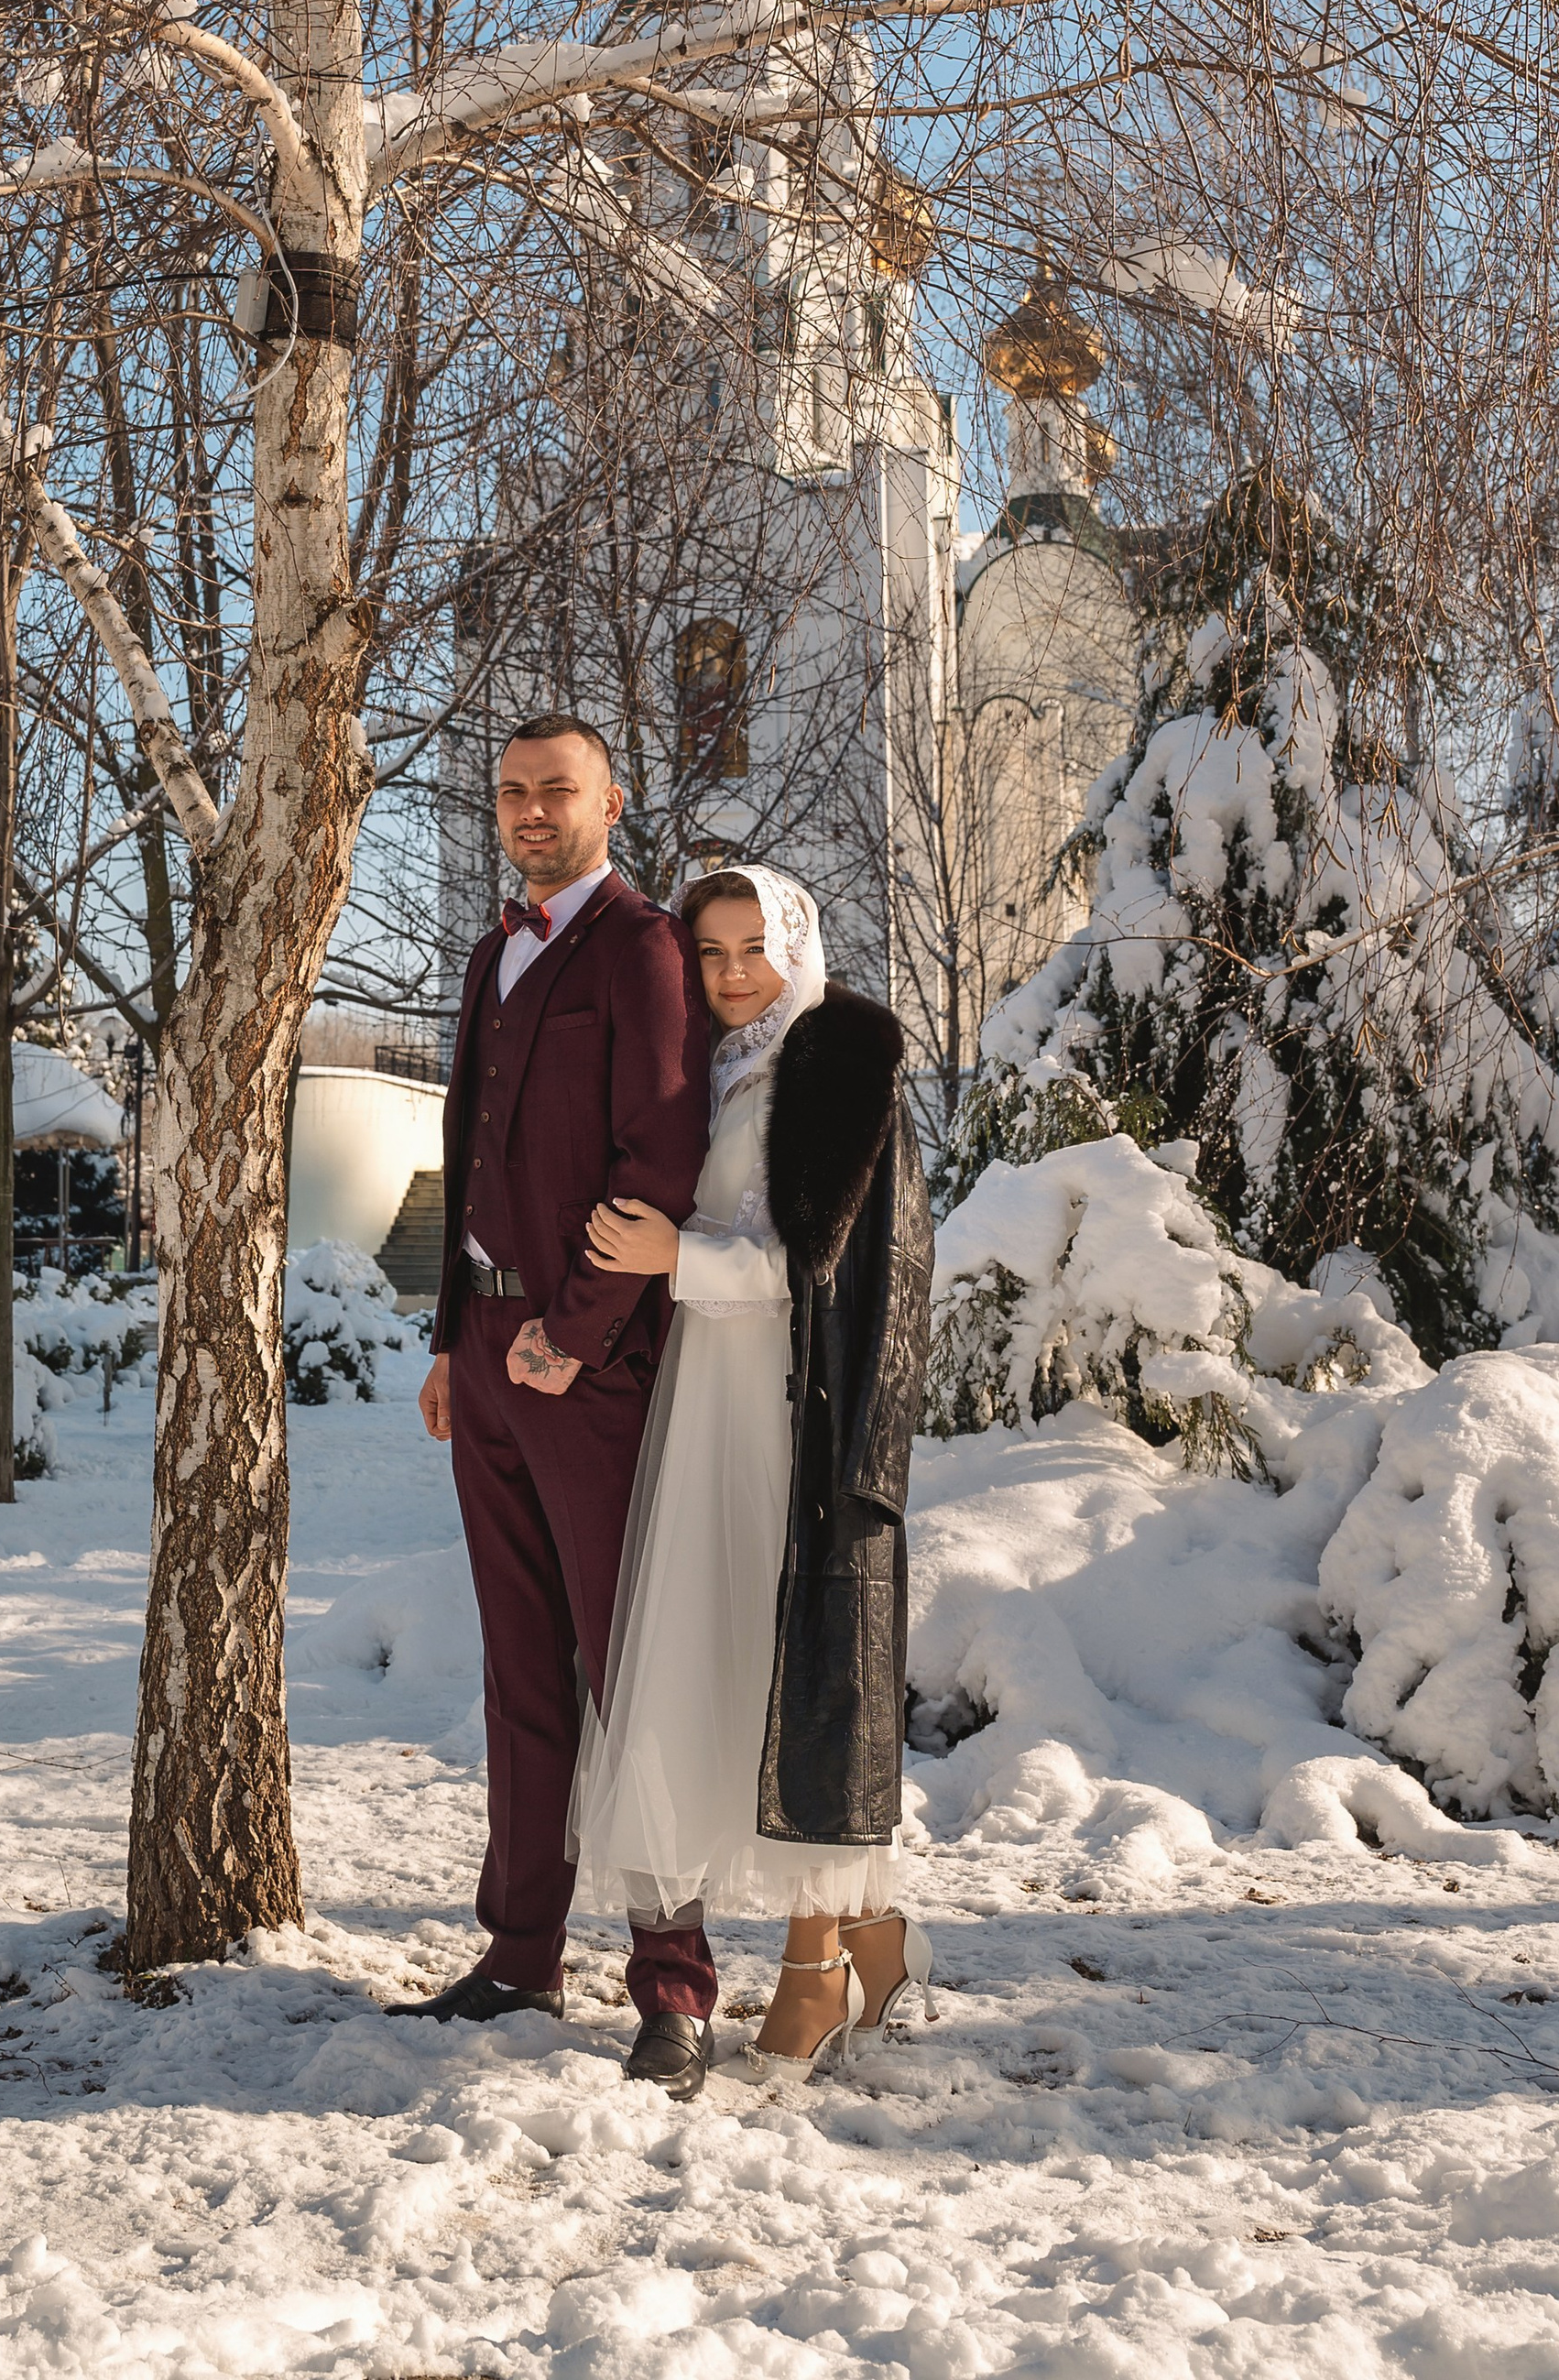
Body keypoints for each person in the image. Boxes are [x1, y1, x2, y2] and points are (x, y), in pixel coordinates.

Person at [387, 715, 714, 2089]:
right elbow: (464, 1159)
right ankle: (521, 1952)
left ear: (610, 804)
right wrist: (458, 1340)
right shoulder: (489, 953)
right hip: (494, 1352)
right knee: (520, 1679)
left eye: (556, 792)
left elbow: (660, 1156)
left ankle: (674, 1985)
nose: (530, 811)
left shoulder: (643, 951)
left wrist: (573, 1337)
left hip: (593, 1360)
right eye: (513, 793)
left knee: (627, 1670)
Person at [573, 863, 935, 2096]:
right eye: (711, 953)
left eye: (753, 949)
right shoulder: (722, 1068)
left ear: (797, 942)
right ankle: (875, 1945)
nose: (733, 975)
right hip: (704, 1401)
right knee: (723, 1666)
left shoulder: (837, 1066)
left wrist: (681, 1253)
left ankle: (820, 1962)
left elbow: (816, 1270)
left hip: (788, 1410)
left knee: (801, 1671)